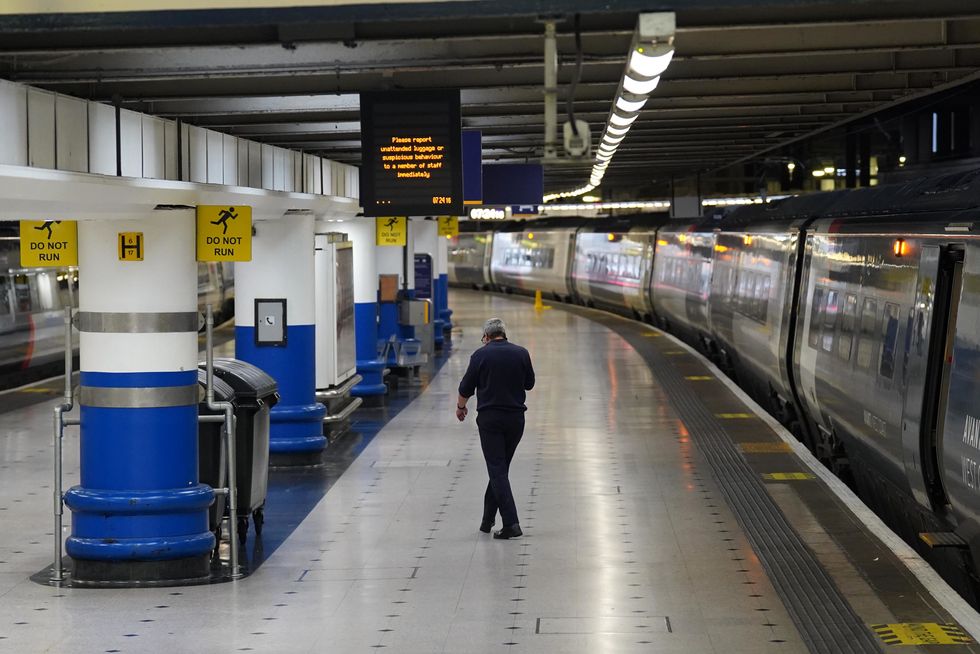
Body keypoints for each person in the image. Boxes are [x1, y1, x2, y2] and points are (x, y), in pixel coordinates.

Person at [456, 318, 535, 539]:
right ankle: (487, 519)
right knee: (500, 469)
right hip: (516, 420)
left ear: (487, 337)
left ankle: (511, 523)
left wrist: (460, 408)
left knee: (497, 469)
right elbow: (529, 383)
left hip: (490, 420)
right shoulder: (521, 353)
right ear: (504, 333)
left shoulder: (480, 356)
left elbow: (465, 388)